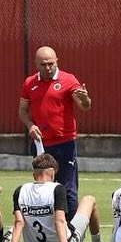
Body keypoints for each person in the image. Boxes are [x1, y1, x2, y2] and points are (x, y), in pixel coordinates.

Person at [19, 45, 91, 224]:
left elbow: (84, 106)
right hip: (41, 144)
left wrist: (84, 99)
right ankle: (47, 227)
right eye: (43, 64)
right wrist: (30, 125)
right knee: (43, 187)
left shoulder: (68, 79)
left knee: (68, 188)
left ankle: (72, 233)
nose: (48, 68)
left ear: (57, 61)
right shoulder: (29, 83)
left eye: (51, 63)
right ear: (36, 64)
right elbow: (22, 110)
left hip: (65, 143)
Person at [0, 154, 111, 242]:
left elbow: (19, 222)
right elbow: (59, 220)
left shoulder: (20, 190)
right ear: (52, 173)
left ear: (34, 175)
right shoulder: (57, 188)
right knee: (89, 199)